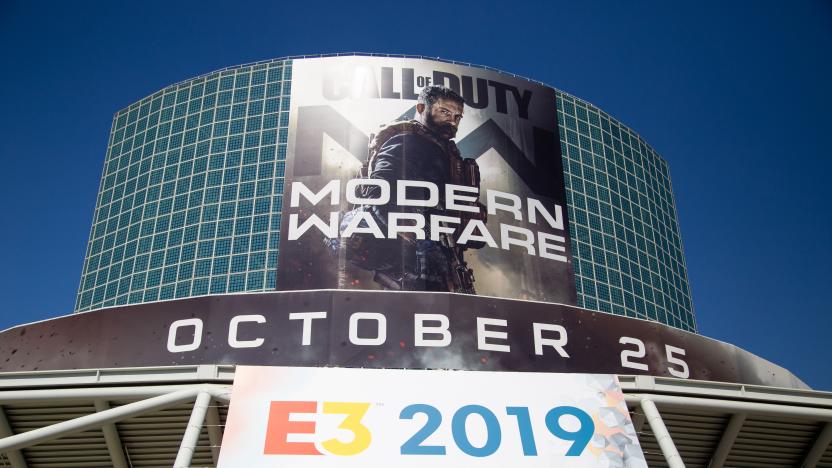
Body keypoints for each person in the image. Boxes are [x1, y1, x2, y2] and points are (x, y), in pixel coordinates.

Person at [348, 85, 485, 293]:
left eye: (458, 117)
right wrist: (416, 242)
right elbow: (379, 191)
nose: (452, 121)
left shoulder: (441, 149)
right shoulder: (408, 141)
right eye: (445, 112)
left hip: (440, 260)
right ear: (421, 108)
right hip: (416, 267)